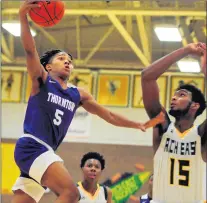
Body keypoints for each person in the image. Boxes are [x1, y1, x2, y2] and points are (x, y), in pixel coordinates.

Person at [11, 1, 164, 203]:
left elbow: (108, 115)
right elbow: (30, 51)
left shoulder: (78, 94)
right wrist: (23, 16)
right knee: (71, 193)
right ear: (47, 67)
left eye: (69, 60)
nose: (67, 62)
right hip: (33, 146)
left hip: (44, 151)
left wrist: (136, 124)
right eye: (61, 58)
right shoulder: (42, 80)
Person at [141, 42, 206, 202]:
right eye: (175, 94)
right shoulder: (162, 126)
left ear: (195, 106)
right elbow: (146, 77)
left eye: (181, 95)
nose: (174, 97)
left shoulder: (202, 135)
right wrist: (186, 50)